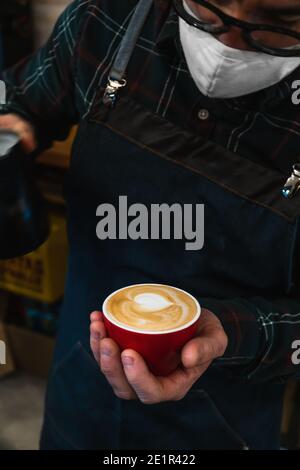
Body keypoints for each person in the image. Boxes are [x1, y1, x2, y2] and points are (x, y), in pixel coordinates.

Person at [1, 0, 300, 450]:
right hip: (79, 399)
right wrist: (11, 127)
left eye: (277, 24)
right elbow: (18, 98)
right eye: (207, 9)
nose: (227, 45)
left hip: (225, 426)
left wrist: (233, 333)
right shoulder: (107, 19)